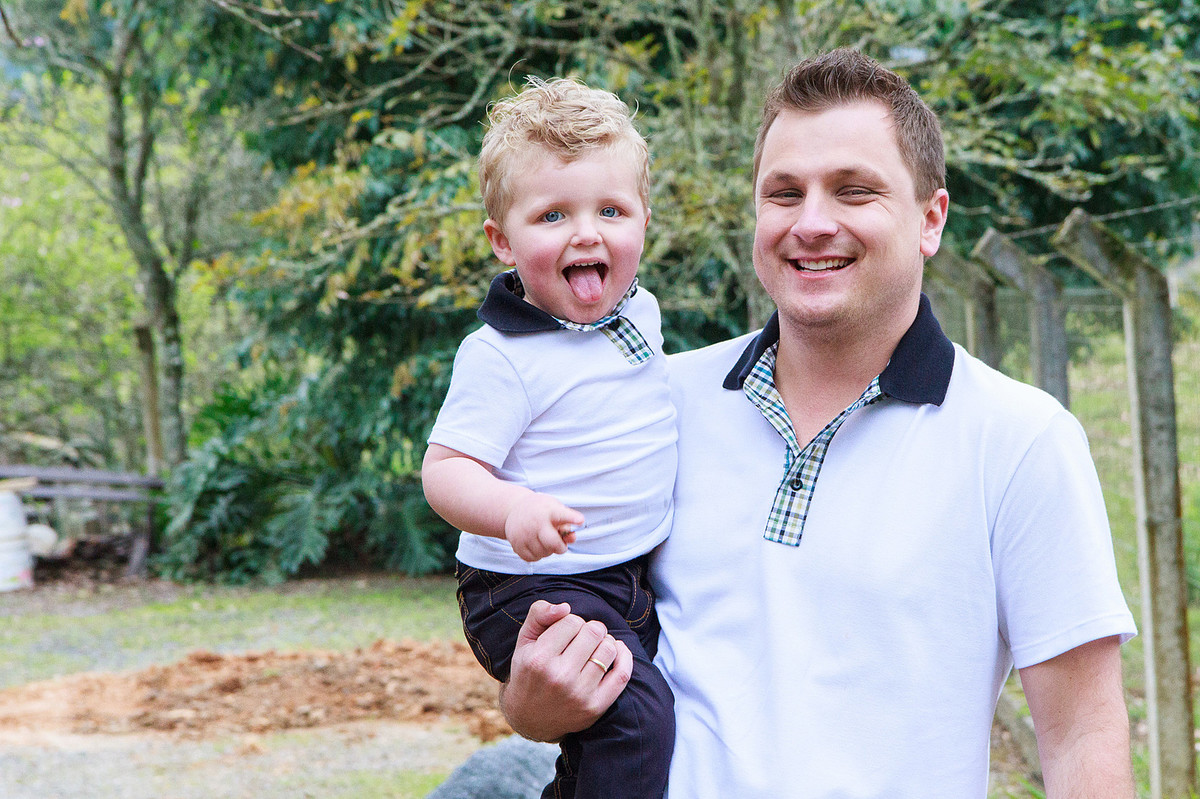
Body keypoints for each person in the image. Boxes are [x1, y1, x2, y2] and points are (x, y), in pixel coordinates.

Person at [499, 49, 1138, 798]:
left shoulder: (1021, 440)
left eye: (853, 191)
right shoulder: (655, 402)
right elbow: (553, 634)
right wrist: (531, 701)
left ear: (930, 218)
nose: (811, 222)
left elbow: (1083, 736)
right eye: (783, 193)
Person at [421, 77, 676, 799]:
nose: (586, 232)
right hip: (528, 585)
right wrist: (512, 510)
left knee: (628, 730)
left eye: (611, 210)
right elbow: (445, 470)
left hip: (625, 575)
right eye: (553, 214)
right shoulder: (502, 355)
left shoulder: (642, 314)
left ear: (644, 221)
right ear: (503, 239)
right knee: (634, 721)